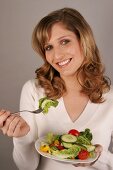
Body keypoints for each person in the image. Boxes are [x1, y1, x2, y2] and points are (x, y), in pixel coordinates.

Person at [0, 7, 113, 170]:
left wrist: (97, 158)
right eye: (48, 47)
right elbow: (26, 167)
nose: (57, 56)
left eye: (64, 41)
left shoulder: (110, 98)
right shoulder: (33, 91)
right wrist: (22, 137)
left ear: (84, 40)